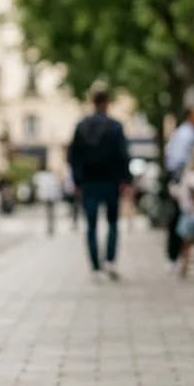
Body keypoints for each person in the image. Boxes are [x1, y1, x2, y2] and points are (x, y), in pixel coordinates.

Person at [68, 83, 132, 280]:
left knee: (91, 225)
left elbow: (73, 156)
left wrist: (77, 182)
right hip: (111, 182)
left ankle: (95, 268)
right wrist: (126, 180)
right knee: (113, 223)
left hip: (88, 183)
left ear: (93, 102)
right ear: (107, 103)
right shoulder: (116, 126)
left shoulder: (81, 126)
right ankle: (110, 261)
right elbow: (123, 155)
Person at [164, 106, 194, 269]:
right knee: (178, 216)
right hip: (181, 177)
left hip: (180, 176)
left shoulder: (185, 133)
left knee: (179, 216)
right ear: (190, 117)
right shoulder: (187, 134)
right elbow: (179, 159)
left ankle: (176, 257)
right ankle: (173, 256)